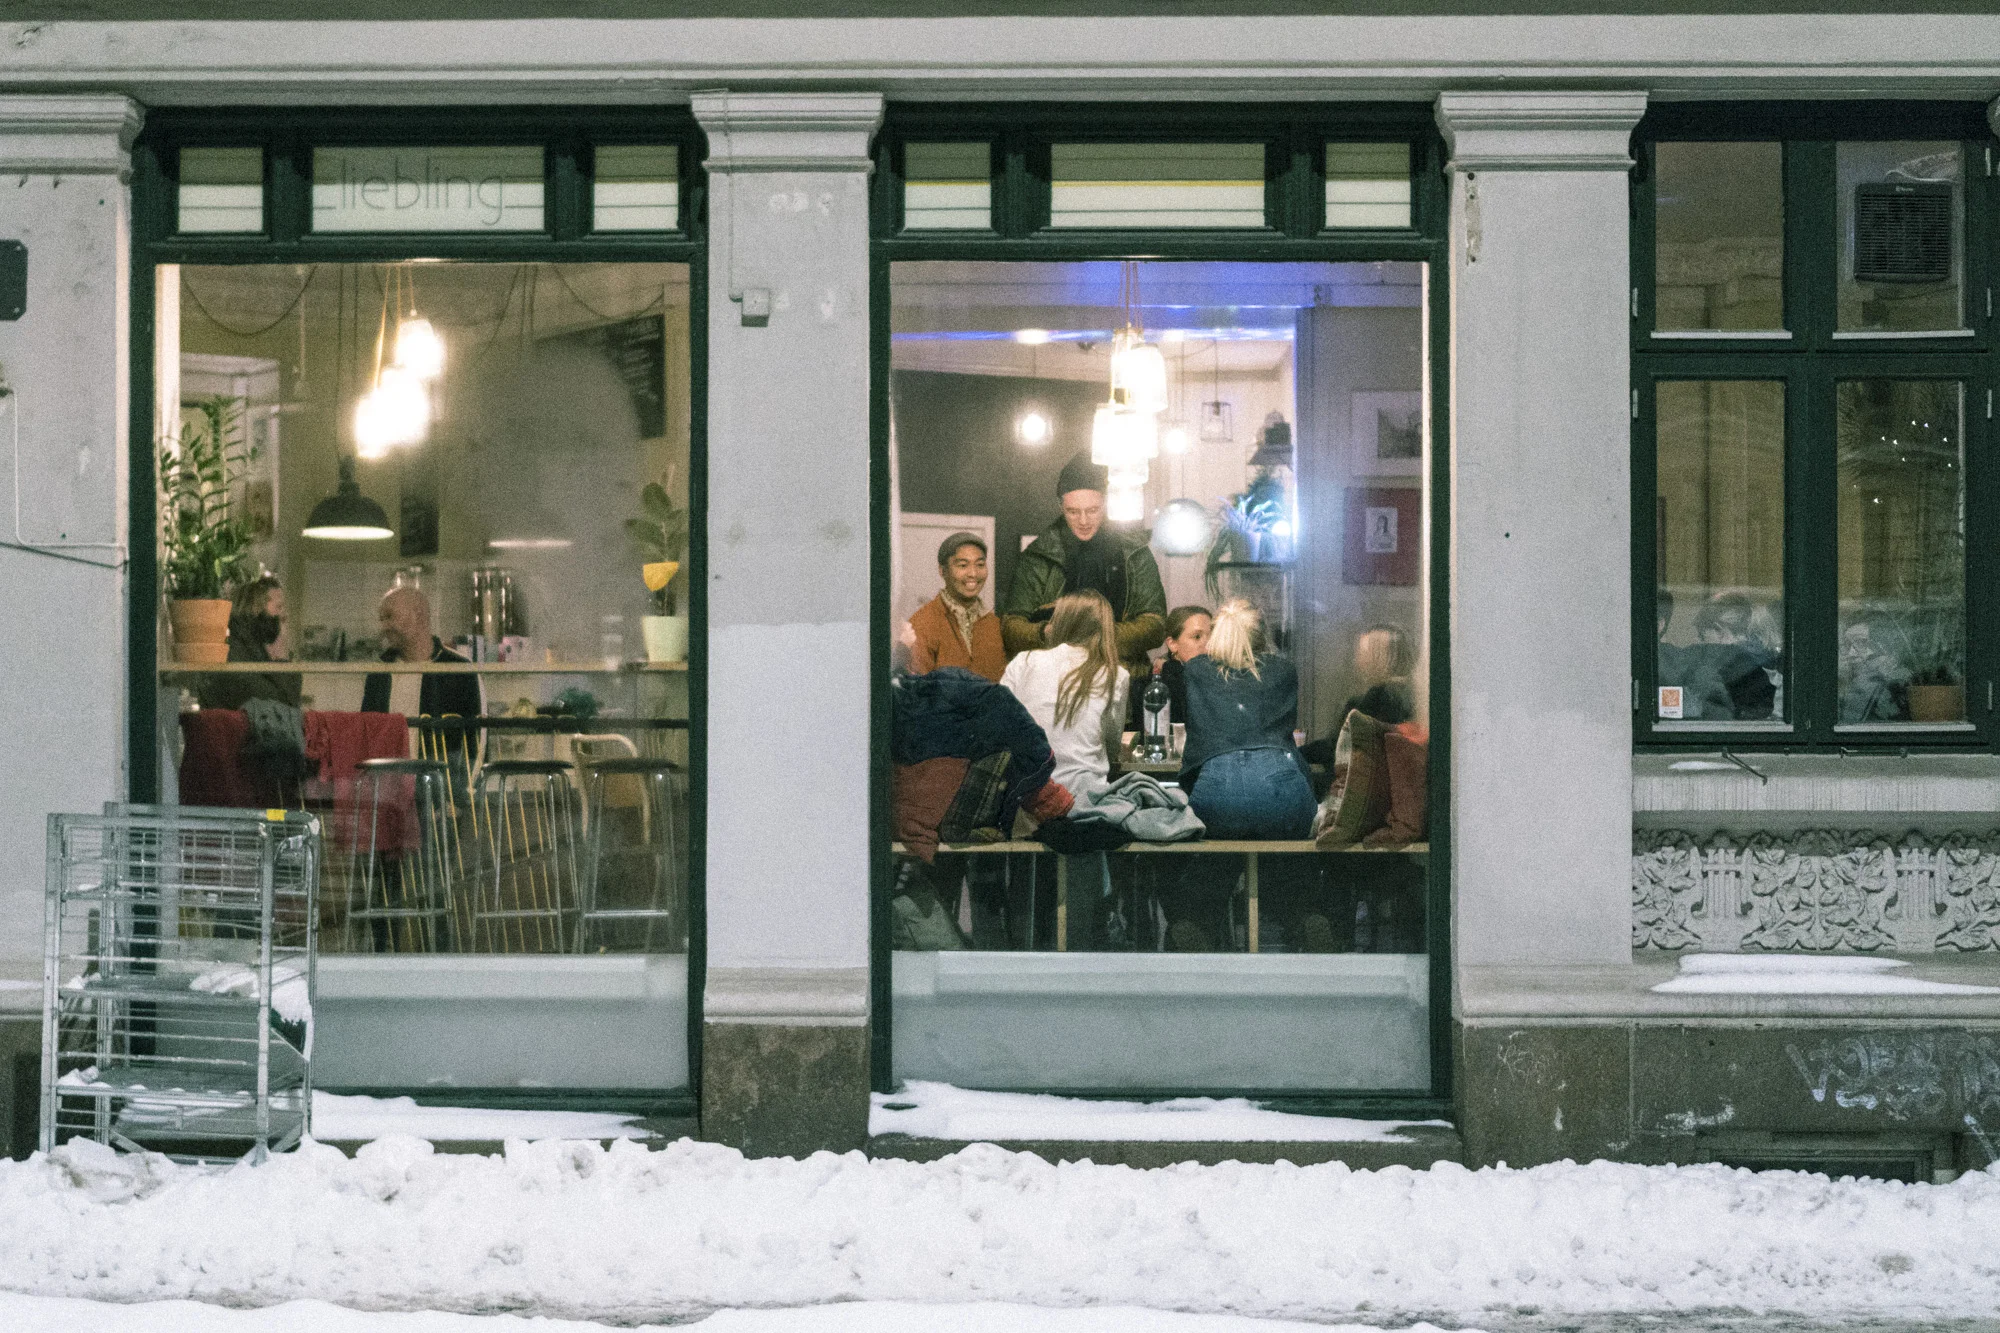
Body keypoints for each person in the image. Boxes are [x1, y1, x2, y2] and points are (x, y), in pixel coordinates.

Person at [1170, 598, 1318, 952]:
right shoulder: (1284, 671)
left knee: (1219, 856)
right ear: (1261, 635)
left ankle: (1193, 924)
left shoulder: (1197, 671)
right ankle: (1308, 919)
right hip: (1280, 785)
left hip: (1218, 788)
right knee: (1286, 864)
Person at [1001, 452, 1166, 717]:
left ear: (1107, 504)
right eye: (1073, 511)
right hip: (1054, 688)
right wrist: (1049, 633)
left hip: (1123, 684)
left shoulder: (1135, 553)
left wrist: (1096, 638)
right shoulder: (1038, 556)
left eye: (1092, 510)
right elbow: (1010, 628)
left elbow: (1156, 625)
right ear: (1060, 507)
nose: (1084, 521)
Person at [1000, 589, 1130, 799]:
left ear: (1060, 622)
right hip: (1085, 800)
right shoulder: (1116, 675)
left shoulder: (1023, 662)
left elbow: (1000, 727)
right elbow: (1112, 746)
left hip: (1027, 797)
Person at [362, 586, 483, 721]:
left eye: (390, 616)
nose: (383, 627)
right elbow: (368, 731)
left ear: (419, 616)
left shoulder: (458, 668)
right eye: (382, 619)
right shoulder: (378, 671)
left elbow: (477, 734)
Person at [907, 531, 1006, 681]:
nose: (973, 573)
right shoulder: (922, 623)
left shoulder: (994, 625)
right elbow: (916, 693)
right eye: (963, 565)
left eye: (980, 564)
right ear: (942, 571)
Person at [195, 574, 302, 711]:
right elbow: (281, 713)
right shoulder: (233, 654)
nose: (284, 614)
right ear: (255, 608)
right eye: (278, 607)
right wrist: (281, 659)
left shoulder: (256, 651)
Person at [1156, 605, 1213, 727]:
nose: (1208, 645)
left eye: (1212, 636)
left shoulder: (1221, 678)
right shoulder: (1164, 689)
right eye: (1197, 637)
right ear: (1172, 644)